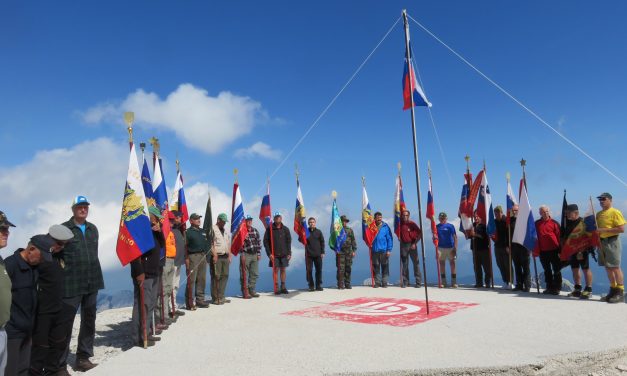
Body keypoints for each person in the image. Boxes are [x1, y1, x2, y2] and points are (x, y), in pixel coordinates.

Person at [58, 195, 104, 372]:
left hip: (92, 281)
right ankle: (59, 365)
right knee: (65, 324)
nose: (83, 209)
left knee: (89, 320)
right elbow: (55, 255)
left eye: (85, 206)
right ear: (73, 210)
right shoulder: (64, 229)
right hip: (71, 284)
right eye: (79, 207)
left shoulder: (93, 229)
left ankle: (83, 358)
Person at [5, 235, 53, 376]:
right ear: (31, 249)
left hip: (28, 330)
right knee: (10, 371)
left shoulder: (35, 267)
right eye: (41, 256)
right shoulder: (10, 265)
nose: (42, 260)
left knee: (23, 370)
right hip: (11, 332)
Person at [29, 225, 74, 376]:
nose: (62, 248)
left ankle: (54, 370)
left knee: (59, 341)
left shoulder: (59, 254)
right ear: (51, 240)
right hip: (42, 309)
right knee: (41, 346)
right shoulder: (40, 253)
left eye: (64, 245)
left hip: (57, 305)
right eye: (60, 244)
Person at [130, 207, 165, 348]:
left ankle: (147, 332)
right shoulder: (141, 231)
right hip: (144, 274)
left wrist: (160, 231)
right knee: (142, 305)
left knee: (150, 304)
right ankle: (138, 337)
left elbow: (161, 245)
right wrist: (139, 271)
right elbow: (134, 253)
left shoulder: (154, 231)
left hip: (154, 271)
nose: (157, 219)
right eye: (155, 216)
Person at [595, 193, 626, 303]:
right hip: (602, 242)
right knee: (607, 267)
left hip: (612, 241)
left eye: (604, 199)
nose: (601, 201)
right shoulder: (598, 214)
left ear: (610, 200)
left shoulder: (615, 212)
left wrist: (603, 230)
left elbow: (621, 229)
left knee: (615, 267)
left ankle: (620, 291)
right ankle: (612, 289)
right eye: (600, 199)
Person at [561, 204, 593, 299]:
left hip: (582, 250)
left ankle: (588, 289)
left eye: (569, 213)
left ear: (576, 213)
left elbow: (589, 237)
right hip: (572, 250)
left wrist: (585, 247)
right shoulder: (568, 223)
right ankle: (577, 289)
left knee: (585, 268)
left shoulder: (583, 222)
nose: (567, 215)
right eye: (566, 213)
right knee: (574, 269)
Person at [534, 205, 562, 295]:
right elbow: (533, 236)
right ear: (540, 213)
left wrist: (561, 251)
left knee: (556, 269)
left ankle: (557, 288)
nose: (545, 213)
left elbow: (559, 237)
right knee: (547, 270)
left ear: (549, 212)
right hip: (542, 251)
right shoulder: (536, 223)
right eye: (543, 212)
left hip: (554, 250)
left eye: (547, 211)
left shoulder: (555, 223)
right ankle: (549, 287)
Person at [0, 211, 15, 376]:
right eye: (2, 229)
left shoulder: (1, 259)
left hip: (3, 330)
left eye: (7, 228)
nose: (7, 232)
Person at [185, 213, 210, 309]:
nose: (199, 220)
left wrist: (207, 257)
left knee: (201, 279)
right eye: (196, 219)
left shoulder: (202, 231)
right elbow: (185, 247)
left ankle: (200, 300)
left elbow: (206, 243)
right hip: (193, 256)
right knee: (191, 279)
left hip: (203, 256)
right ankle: (189, 302)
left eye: (199, 218)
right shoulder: (188, 232)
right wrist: (186, 258)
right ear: (191, 221)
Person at [264, 212, 292, 294]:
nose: (277, 219)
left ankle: (283, 287)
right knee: (275, 270)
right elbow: (265, 242)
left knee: (283, 269)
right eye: (276, 217)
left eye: (279, 217)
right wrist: (269, 254)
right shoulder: (269, 229)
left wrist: (289, 253)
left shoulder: (286, 229)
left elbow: (288, 241)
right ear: (274, 218)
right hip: (274, 254)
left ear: (281, 218)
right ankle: (276, 287)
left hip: (284, 254)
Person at [167, 211, 186, 318]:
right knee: (170, 285)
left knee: (175, 285)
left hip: (178, 262)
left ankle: (174, 306)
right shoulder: (169, 231)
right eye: (178, 217)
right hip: (172, 262)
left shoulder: (178, 231)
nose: (180, 220)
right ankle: (169, 308)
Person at [510, 205, 531, 292]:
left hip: (524, 247)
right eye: (513, 210)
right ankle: (519, 284)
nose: (515, 212)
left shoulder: (525, 220)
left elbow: (530, 232)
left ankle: (527, 285)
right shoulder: (510, 221)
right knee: (517, 267)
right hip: (514, 247)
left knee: (525, 267)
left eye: (516, 210)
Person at [211, 213, 232, 305]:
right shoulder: (213, 229)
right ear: (218, 220)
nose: (224, 223)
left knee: (225, 276)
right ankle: (216, 298)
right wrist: (214, 254)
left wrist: (230, 255)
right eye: (223, 221)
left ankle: (222, 296)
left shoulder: (225, 231)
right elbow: (210, 243)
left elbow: (228, 243)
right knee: (216, 277)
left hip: (225, 256)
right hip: (217, 256)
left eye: (225, 222)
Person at [399, 210, 422, 288]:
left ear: (409, 216)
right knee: (405, 264)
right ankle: (406, 282)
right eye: (404, 215)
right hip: (403, 245)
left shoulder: (412, 224)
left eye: (406, 215)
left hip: (412, 245)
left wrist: (415, 243)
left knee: (416, 264)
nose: (405, 216)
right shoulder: (400, 224)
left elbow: (420, 233)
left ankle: (418, 282)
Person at [240, 215, 261, 298]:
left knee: (254, 273)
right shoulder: (242, 231)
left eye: (250, 220)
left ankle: (252, 290)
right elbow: (239, 244)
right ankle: (245, 291)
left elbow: (259, 242)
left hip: (255, 254)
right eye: (248, 220)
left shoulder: (255, 230)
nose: (249, 221)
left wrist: (259, 253)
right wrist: (242, 254)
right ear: (245, 221)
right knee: (244, 274)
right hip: (246, 254)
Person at [493, 206, 513, 289]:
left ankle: (511, 282)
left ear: (502, 212)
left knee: (507, 265)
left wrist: (508, 246)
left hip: (505, 247)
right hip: (497, 246)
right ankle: (505, 281)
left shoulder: (506, 221)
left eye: (498, 213)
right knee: (500, 264)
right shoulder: (494, 222)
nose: (497, 214)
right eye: (495, 213)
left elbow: (510, 234)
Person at [371, 212, 393, 288]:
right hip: (375, 250)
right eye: (378, 217)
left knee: (385, 267)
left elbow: (389, 239)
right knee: (376, 267)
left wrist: (389, 250)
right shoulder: (371, 227)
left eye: (380, 217)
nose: (379, 219)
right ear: (375, 218)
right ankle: (377, 282)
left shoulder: (385, 227)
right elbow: (368, 237)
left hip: (384, 250)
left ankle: (384, 282)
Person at [436, 212, 458, 288]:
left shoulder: (450, 226)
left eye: (443, 218)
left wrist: (455, 248)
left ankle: (454, 282)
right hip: (440, 247)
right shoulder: (437, 226)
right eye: (441, 218)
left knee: (452, 264)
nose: (442, 219)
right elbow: (435, 237)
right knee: (442, 264)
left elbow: (455, 237)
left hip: (450, 247)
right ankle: (444, 282)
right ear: (439, 218)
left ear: (446, 218)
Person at [471, 213, 492, 288]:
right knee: (477, 267)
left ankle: (488, 282)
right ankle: (479, 282)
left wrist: (475, 234)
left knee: (486, 267)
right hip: (475, 249)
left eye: (477, 216)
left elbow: (484, 236)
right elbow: (470, 236)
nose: (476, 218)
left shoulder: (484, 226)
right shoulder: (472, 225)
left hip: (484, 249)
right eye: (475, 216)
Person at [305, 217, 325, 291]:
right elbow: (301, 239)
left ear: (315, 223)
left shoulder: (319, 232)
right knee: (309, 271)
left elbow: (322, 242)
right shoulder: (306, 231)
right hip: (309, 255)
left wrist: (322, 252)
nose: (311, 223)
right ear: (308, 223)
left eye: (313, 222)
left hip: (318, 254)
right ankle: (311, 285)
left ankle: (318, 285)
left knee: (319, 270)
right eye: (310, 222)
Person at [337, 215, 356, 289]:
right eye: (343, 221)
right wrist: (336, 249)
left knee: (348, 267)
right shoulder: (337, 230)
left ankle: (347, 283)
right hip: (340, 252)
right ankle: (340, 284)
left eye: (345, 221)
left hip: (349, 251)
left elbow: (353, 240)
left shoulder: (350, 230)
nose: (344, 222)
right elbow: (334, 241)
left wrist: (354, 250)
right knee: (341, 269)